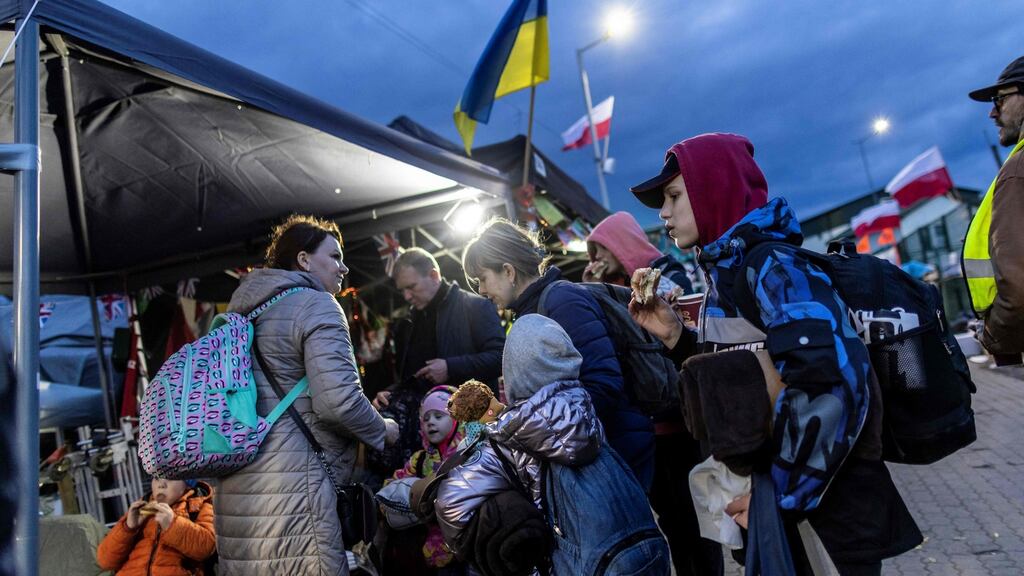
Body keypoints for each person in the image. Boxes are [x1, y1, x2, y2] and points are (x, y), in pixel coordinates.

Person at [628, 133, 921, 575]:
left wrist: (779, 496)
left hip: (820, 514)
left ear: (715, 189)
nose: (664, 213)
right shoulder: (723, 276)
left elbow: (833, 383)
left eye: (673, 196)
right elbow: (746, 378)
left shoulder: (774, 268)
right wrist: (677, 339)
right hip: (777, 509)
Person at [215, 214, 399, 576]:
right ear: (303, 260)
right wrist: (383, 430)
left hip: (237, 496)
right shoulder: (316, 305)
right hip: (296, 490)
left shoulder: (241, 317)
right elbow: (338, 403)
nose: (344, 268)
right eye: (334, 256)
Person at [435, 315, 670, 576]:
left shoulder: (507, 433)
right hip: (637, 551)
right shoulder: (585, 411)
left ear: (514, 372)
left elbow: (451, 504)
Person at [462, 220, 656, 490]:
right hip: (593, 453)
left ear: (508, 271)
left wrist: (537, 428)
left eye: (482, 279)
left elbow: (604, 383)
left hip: (618, 452)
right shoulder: (533, 311)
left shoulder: (563, 301)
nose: (482, 290)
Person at [583, 211, 719, 575]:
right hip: (647, 426)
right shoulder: (612, 284)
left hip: (678, 419)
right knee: (674, 522)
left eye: (600, 251)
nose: (595, 261)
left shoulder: (665, 272)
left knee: (695, 523)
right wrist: (590, 290)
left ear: (619, 243)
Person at [372, 248, 505, 472]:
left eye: (411, 287)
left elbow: (500, 356)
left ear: (433, 276)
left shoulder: (475, 306)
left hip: (472, 438)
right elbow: (412, 377)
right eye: (402, 290)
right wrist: (391, 393)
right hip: (425, 446)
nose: (406, 296)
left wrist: (450, 367)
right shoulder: (408, 324)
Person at [965, 55, 1024, 365]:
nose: (992, 112)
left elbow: (1018, 288)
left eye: (1000, 99)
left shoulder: (1018, 171)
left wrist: (993, 335)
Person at [379, 385, 466, 576]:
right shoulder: (419, 460)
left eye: (438, 416)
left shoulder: (469, 456)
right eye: (425, 418)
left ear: (457, 418)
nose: (431, 423)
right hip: (430, 554)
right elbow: (393, 487)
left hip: (467, 552)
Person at [96, 478, 215, 576]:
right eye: (157, 478)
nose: (161, 485)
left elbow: (206, 549)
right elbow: (105, 561)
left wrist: (173, 524)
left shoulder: (199, 507)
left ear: (188, 485)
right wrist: (128, 528)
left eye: (170, 478)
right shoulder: (143, 508)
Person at [583, 210, 694, 296]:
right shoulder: (615, 287)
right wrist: (594, 287)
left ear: (624, 244)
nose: (597, 255)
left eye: (604, 247)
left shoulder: (672, 279)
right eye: (595, 250)